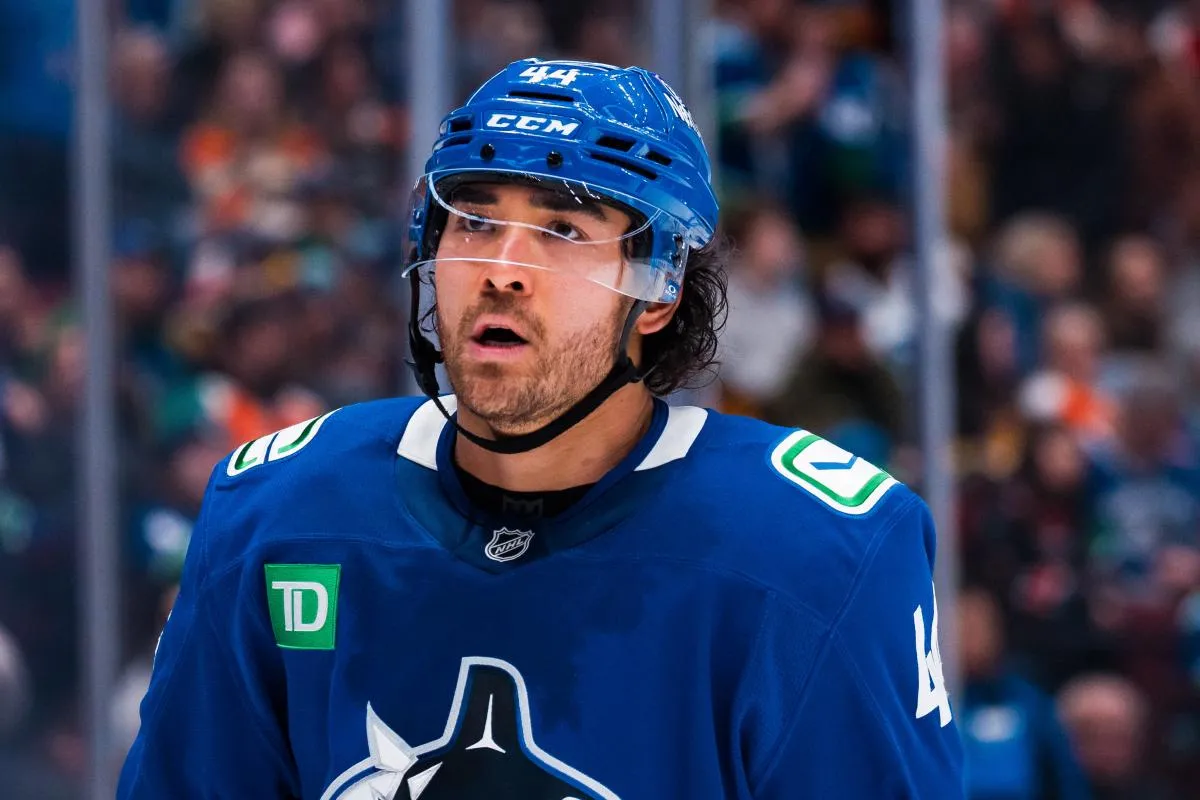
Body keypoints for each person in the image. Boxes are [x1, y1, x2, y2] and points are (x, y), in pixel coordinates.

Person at [117, 58, 964, 798]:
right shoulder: (279, 512)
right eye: (476, 221)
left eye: (562, 230)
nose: (503, 272)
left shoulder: (820, 554)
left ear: (660, 287)